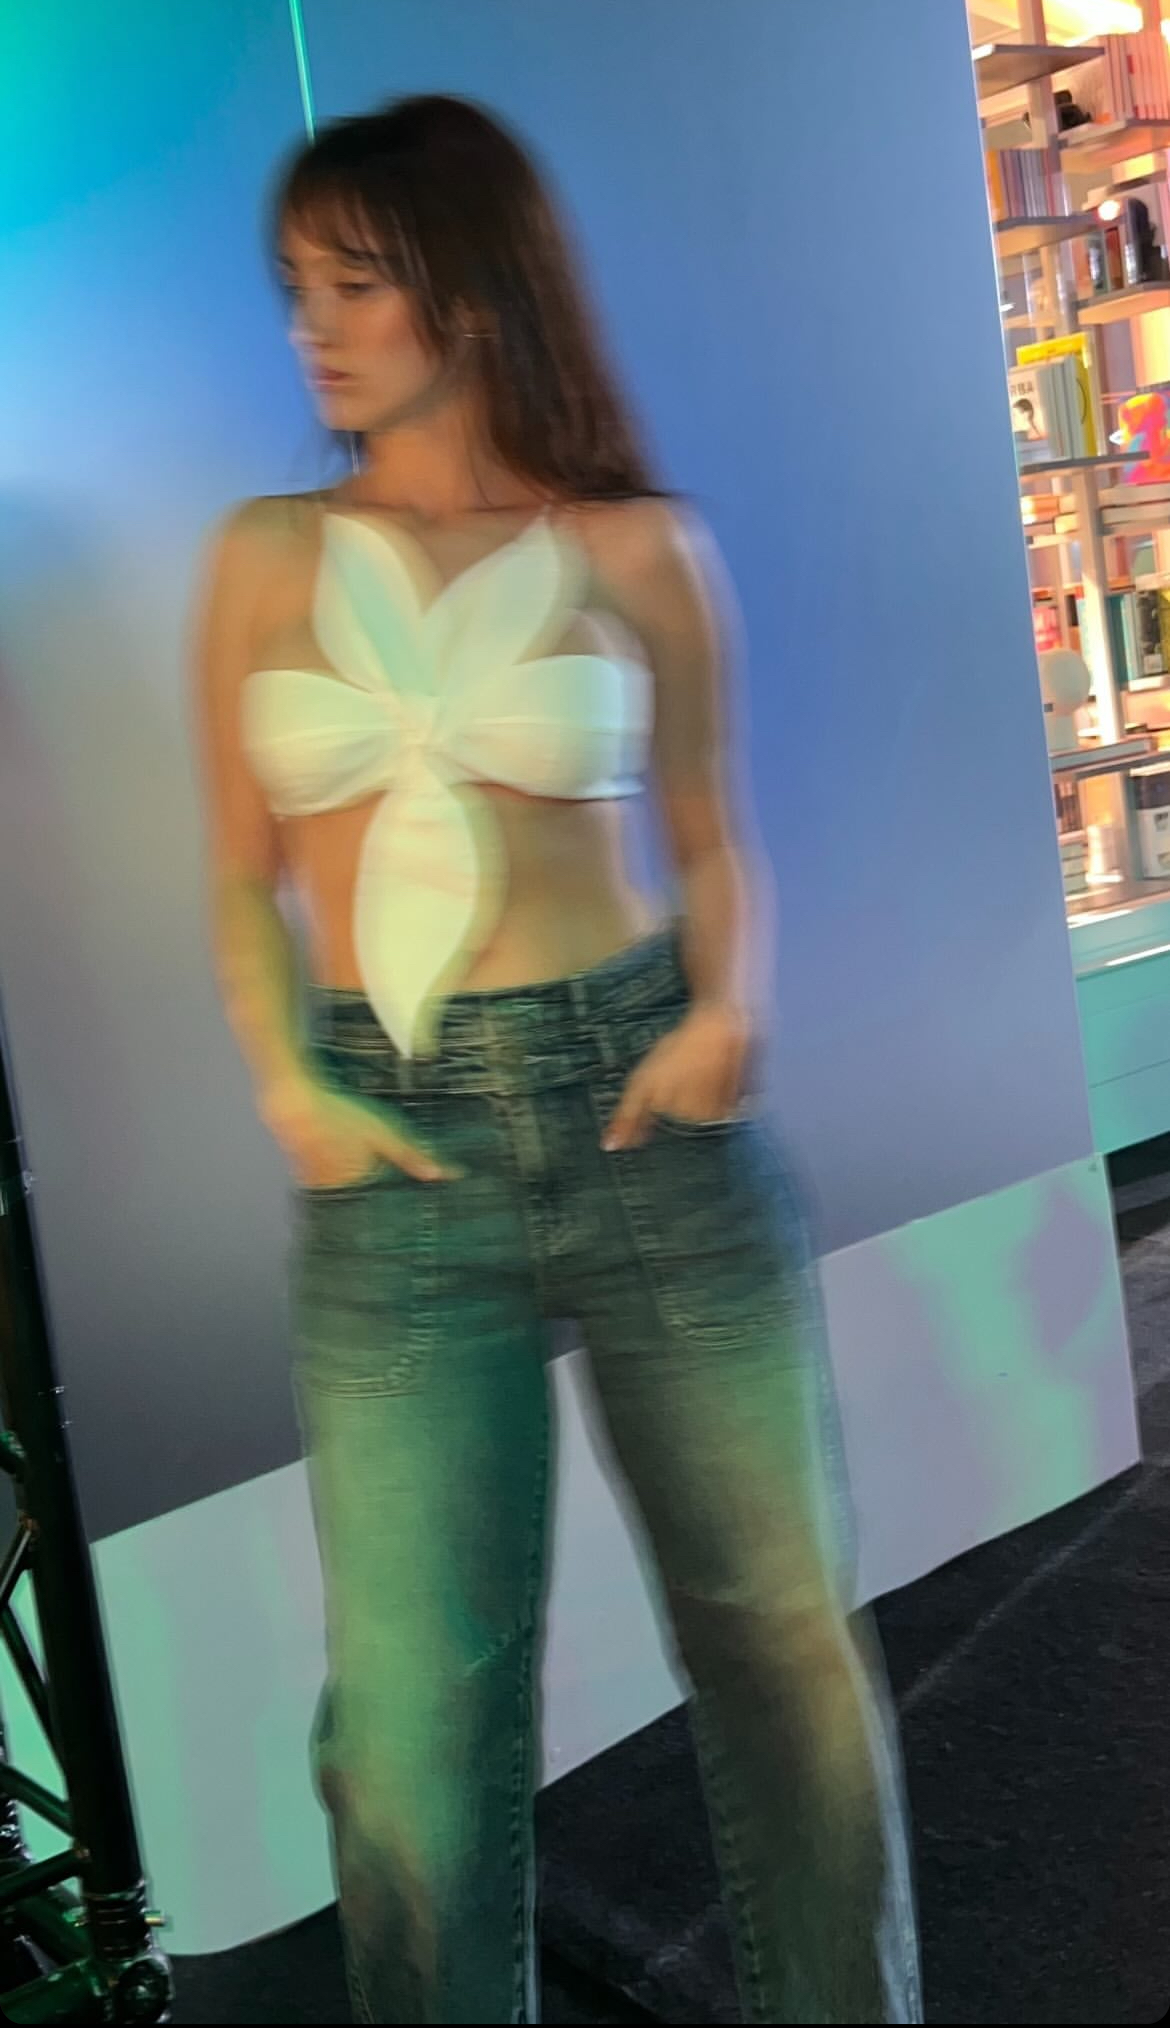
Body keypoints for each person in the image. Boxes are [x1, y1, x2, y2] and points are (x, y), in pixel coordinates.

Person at [190, 92, 922, 2028]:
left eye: (355, 284)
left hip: (645, 1122)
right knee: (408, 1734)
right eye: (296, 289)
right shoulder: (263, 557)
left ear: (473, 287)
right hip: (397, 1159)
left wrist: (725, 1016)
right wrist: (288, 1084)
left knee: (785, 1655)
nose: (312, 328)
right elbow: (237, 871)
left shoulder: (637, 548)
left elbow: (709, 838)